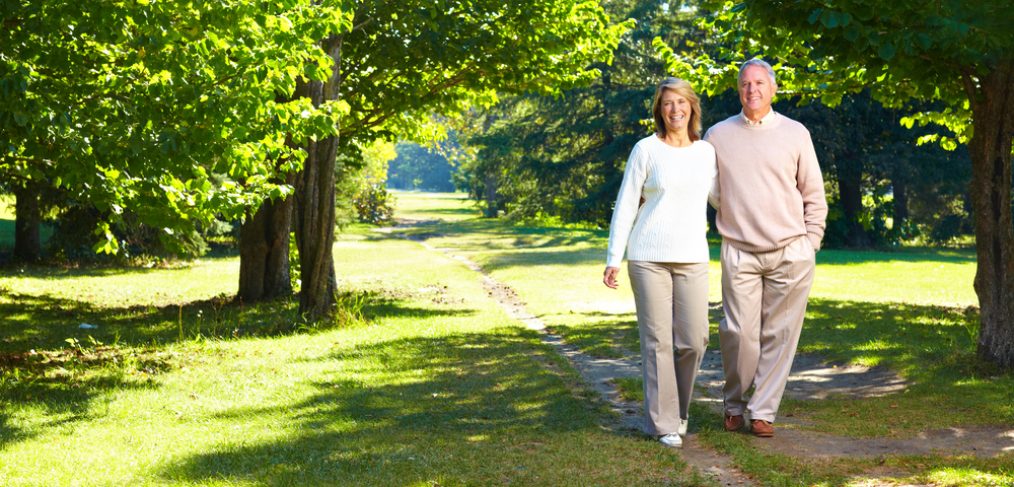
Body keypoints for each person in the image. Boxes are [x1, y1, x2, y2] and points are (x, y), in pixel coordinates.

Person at [704, 58, 828, 438]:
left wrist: (811, 242)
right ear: (737, 90)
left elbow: (813, 193)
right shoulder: (718, 134)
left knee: (781, 334)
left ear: (773, 89)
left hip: (790, 251)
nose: (752, 90)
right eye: (744, 84)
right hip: (740, 250)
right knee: (739, 334)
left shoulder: (795, 133)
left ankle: (763, 412)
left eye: (759, 83)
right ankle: (734, 404)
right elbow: (709, 190)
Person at [603, 77, 717, 449]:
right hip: (647, 257)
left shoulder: (705, 153)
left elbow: (722, 199)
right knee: (657, 342)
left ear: (692, 108)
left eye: (681, 102)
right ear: (659, 109)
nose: (675, 110)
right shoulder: (645, 149)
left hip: (692, 258)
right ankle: (664, 422)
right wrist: (613, 258)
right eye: (667, 103)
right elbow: (625, 205)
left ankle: (679, 410)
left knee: (694, 340)